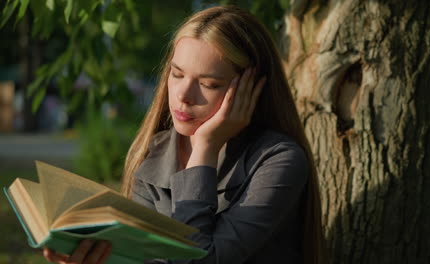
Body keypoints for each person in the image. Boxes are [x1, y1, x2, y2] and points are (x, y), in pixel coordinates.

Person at [43, 5, 325, 264]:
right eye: (177, 75)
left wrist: (205, 147)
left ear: (251, 91)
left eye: (208, 83)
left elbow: (200, 261)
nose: (184, 95)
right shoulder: (154, 153)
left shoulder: (279, 160)